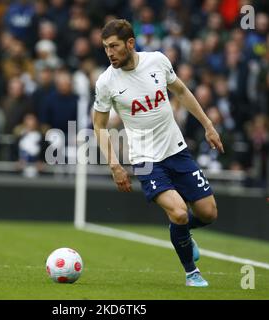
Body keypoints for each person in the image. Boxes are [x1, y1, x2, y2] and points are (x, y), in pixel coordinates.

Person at [92, 19, 224, 287]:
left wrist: (208, 126)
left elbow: (182, 92)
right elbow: (99, 125)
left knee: (209, 213)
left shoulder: (157, 61)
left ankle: (181, 232)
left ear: (130, 43)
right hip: (145, 160)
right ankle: (192, 272)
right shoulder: (106, 82)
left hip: (177, 151)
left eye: (114, 46)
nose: (110, 53)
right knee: (178, 212)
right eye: (106, 47)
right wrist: (114, 165)